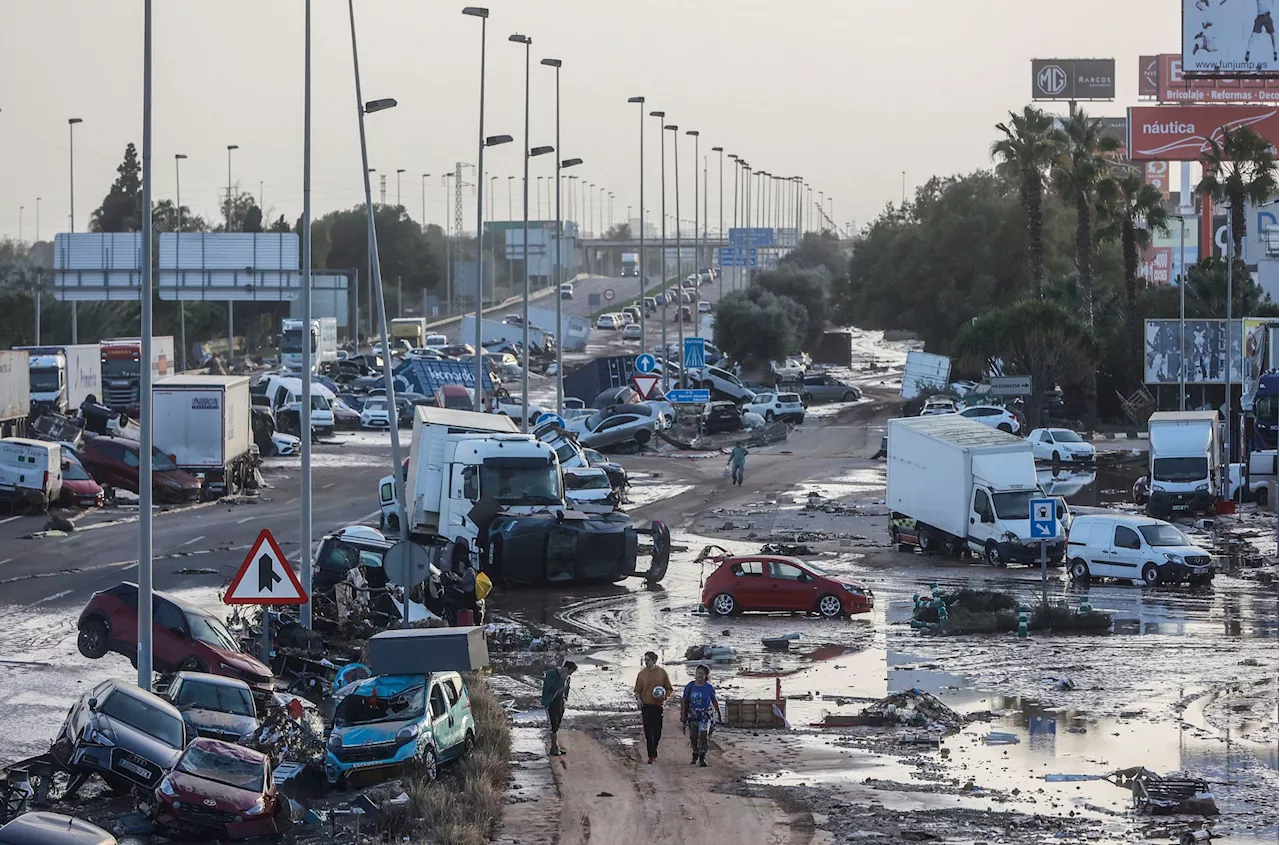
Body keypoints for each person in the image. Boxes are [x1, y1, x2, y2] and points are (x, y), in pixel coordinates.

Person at [634, 651, 674, 764]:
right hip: (646, 705)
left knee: (657, 731)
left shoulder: (662, 673)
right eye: (645, 659)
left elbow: (669, 688)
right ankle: (651, 755)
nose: (646, 662)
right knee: (648, 731)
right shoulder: (641, 674)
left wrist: (664, 696)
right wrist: (638, 699)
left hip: (658, 705)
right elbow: (637, 690)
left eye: (648, 660)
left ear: (654, 660)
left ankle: (654, 749)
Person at [680, 664, 722, 767]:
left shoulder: (709, 688)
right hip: (693, 714)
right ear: (695, 674)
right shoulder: (690, 686)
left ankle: (702, 757)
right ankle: (695, 752)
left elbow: (714, 701)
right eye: (698, 673)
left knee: (703, 734)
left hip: (705, 715)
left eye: (702, 674)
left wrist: (719, 714)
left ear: (706, 676)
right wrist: (683, 715)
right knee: (693, 736)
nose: (699, 675)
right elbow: (684, 701)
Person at [542, 660, 577, 756]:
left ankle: (555, 745)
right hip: (551, 701)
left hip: (560, 702)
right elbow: (552, 687)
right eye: (570, 672)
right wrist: (561, 679)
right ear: (566, 669)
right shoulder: (551, 674)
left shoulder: (567, 677)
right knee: (553, 724)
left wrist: (565, 698)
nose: (570, 674)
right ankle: (554, 747)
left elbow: (567, 688)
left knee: (558, 723)